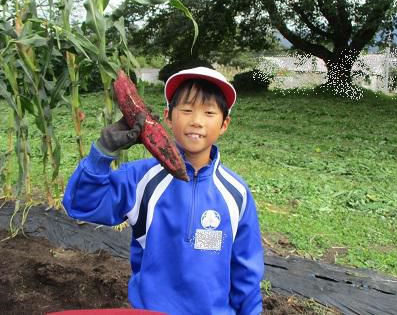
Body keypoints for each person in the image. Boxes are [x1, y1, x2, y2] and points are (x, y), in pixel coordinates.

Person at [63, 67, 264, 314]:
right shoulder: (141, 178)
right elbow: (81, 205)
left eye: (209, 112)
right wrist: (102, 153)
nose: (197, 121)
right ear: (168, 117)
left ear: (224, 124)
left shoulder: (236, 193)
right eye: (187, 110)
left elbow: (246, 272)